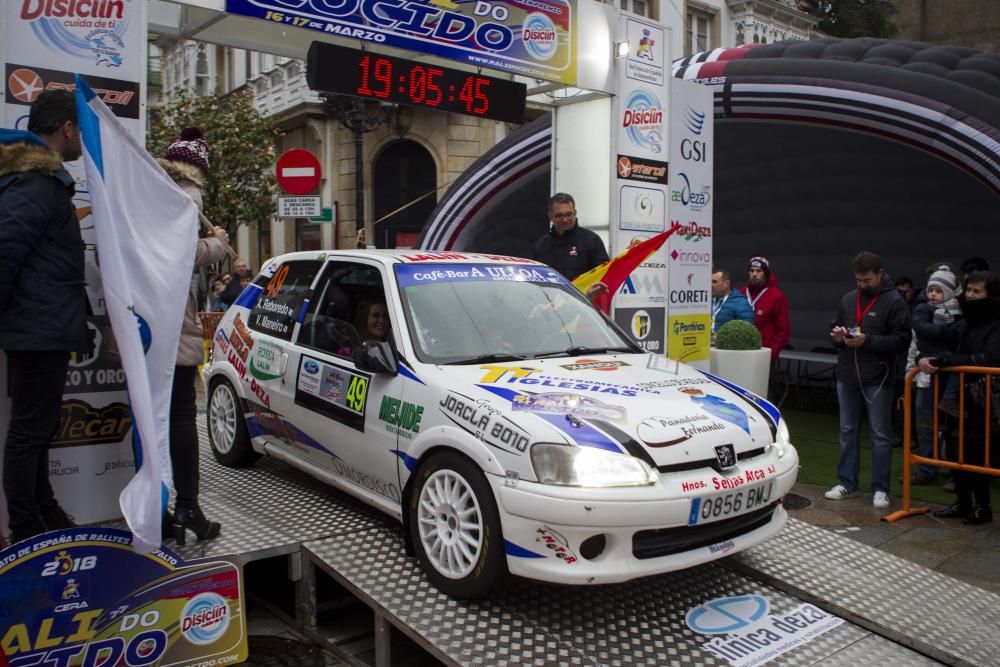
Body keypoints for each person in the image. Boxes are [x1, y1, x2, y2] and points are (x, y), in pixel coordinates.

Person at [0, 91, 89, 544]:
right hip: (36, 327)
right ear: (67, 128)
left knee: (38, 429)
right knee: (29, 432)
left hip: (46, 325)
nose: (83, 140)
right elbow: (7, 247)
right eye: (82, 129)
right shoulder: (35, 181)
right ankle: (26, 531)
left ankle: (43, 513)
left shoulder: (40, 178)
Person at [158, 127, 228, 544]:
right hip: (172, 319)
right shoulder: (187, 196)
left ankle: (162, 509)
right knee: (183, 417)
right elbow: (181, 254)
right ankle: (188, 505)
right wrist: (216, 244)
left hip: (146, 322)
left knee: (159, 421)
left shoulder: (153, 191)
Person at [826, 251, 911, 509]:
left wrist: (868, 341)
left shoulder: (895, 301)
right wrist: (838, 337)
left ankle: (880, 488)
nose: (862, 285)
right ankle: (847, 482)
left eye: (867, 280)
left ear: (880, 274)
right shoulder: (849, 299)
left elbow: (902, 340)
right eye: (858, 280)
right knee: (847, 430)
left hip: (878, 377)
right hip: (847, 373)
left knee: (879, 434)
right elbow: (834, 331)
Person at [918, 271, 1000, 524]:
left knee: (977, 454)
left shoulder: (995, 323)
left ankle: (982, 507)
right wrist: (923, 359)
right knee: (955, 450)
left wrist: (948, 361)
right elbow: (942, 347)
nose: (972, 295)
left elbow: (989, 357)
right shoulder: (963, 320)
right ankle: (963, 503)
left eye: (978, 291)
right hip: (958, 397)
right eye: (969, 290)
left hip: (984, 401)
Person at [905, 267, 964, 484]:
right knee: (926, 422)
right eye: (931, 289)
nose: (932, 294)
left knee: (952, 425)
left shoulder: (960, 310)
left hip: (951, 371)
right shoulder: (922, 309)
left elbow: (962, 334)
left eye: (938, 290)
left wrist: (943, 334)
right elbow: (921, 332)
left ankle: (954, 472)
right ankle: (927, 470)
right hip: (926, 373)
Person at [531, 193, 609, 282]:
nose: (565, 219)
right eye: (559, 215)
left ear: (575, 213)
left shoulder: (591, 240)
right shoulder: (541, 246)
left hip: (582, 295)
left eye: (569, 214)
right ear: (550, 217)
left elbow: (603, 275)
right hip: (549, 295)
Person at [740, 256, 790, 360]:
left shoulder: (776, 296)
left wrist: (771, 353)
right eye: (751, 271)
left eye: (759, 271)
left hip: (763, 354)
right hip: (740, 351)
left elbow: (783, 330)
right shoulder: (741, 293)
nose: (754, 274)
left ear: (766, 273)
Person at [711, 267, 754, 338]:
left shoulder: (741, 303)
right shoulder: (706, 301)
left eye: (714, 282)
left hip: (726, 347)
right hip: (705, 346)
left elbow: (747, 331)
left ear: (727, 283)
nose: (711, 285)